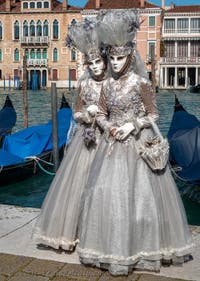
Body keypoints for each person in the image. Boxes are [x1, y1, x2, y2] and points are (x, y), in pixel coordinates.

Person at [77, 10, 193, 275]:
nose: (115, 64)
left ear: (129, 56)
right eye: (113, 59)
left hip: (138, 142)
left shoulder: (142, 82)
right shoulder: (106, 85)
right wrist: (109, 126)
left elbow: (153, 113)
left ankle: (142, 247)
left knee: (142, 198)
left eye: (120, 58)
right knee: (106, 194)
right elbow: (103, 114)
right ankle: (110, 248)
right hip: (112, 144)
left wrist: (134, 124)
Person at [34, 18, 108, 251]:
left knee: (104, 187)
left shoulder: (114, 84)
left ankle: (101, 237)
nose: (95, 67)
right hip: (85, 140)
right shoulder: (84, 84)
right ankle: (74, 233)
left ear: (104, 62)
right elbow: (76, 112)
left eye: (98, 62)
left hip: (106, 140)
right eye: (91, 63)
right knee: (78, 186)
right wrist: (87, 114)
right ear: (87, 64)